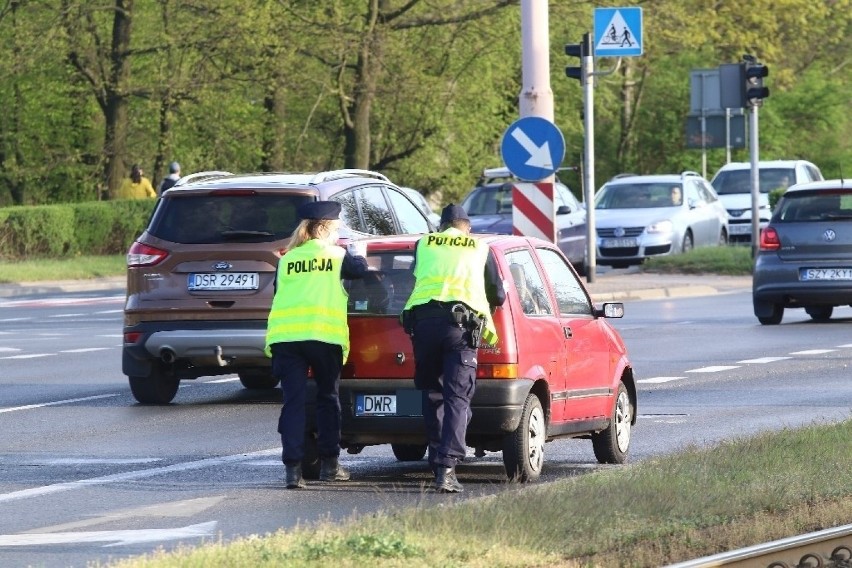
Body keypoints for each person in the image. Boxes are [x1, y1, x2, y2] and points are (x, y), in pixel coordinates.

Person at [265, 200, 373, 489]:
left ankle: (292, 471)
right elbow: (360, 271)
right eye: (336, 228)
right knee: (327, 400)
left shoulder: (287, 259)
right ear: (325, 228)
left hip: (286, 339)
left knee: (293, 403)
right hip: (324, 338)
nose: (337, 233)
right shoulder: (337, 256)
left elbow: (278, 293)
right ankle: (330, 465)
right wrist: (358, 251)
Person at [401, 204, 505, 493]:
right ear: (466, 227)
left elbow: (415, 276)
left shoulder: (424, 243)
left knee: (433, 393)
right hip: (460, 328)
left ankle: (437, 460)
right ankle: (447, 469)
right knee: (457, 397)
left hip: (423, 324)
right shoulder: (479, 247)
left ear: (442, 226)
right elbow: (497, 293)